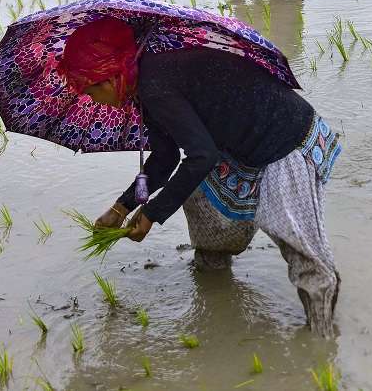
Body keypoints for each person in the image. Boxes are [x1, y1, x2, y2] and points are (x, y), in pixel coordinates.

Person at [61, 17, 342, 335]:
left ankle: (322, 337)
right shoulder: (146, 82)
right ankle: (213, 267)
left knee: (295, 240)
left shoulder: (155, 85)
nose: (90, 99)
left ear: (109, 78)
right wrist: (122, 207)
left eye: (88, 89)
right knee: (200, 196)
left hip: (282, 139)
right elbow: (165, 157)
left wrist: (152, 214)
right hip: (238, 145)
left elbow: (201, 156)